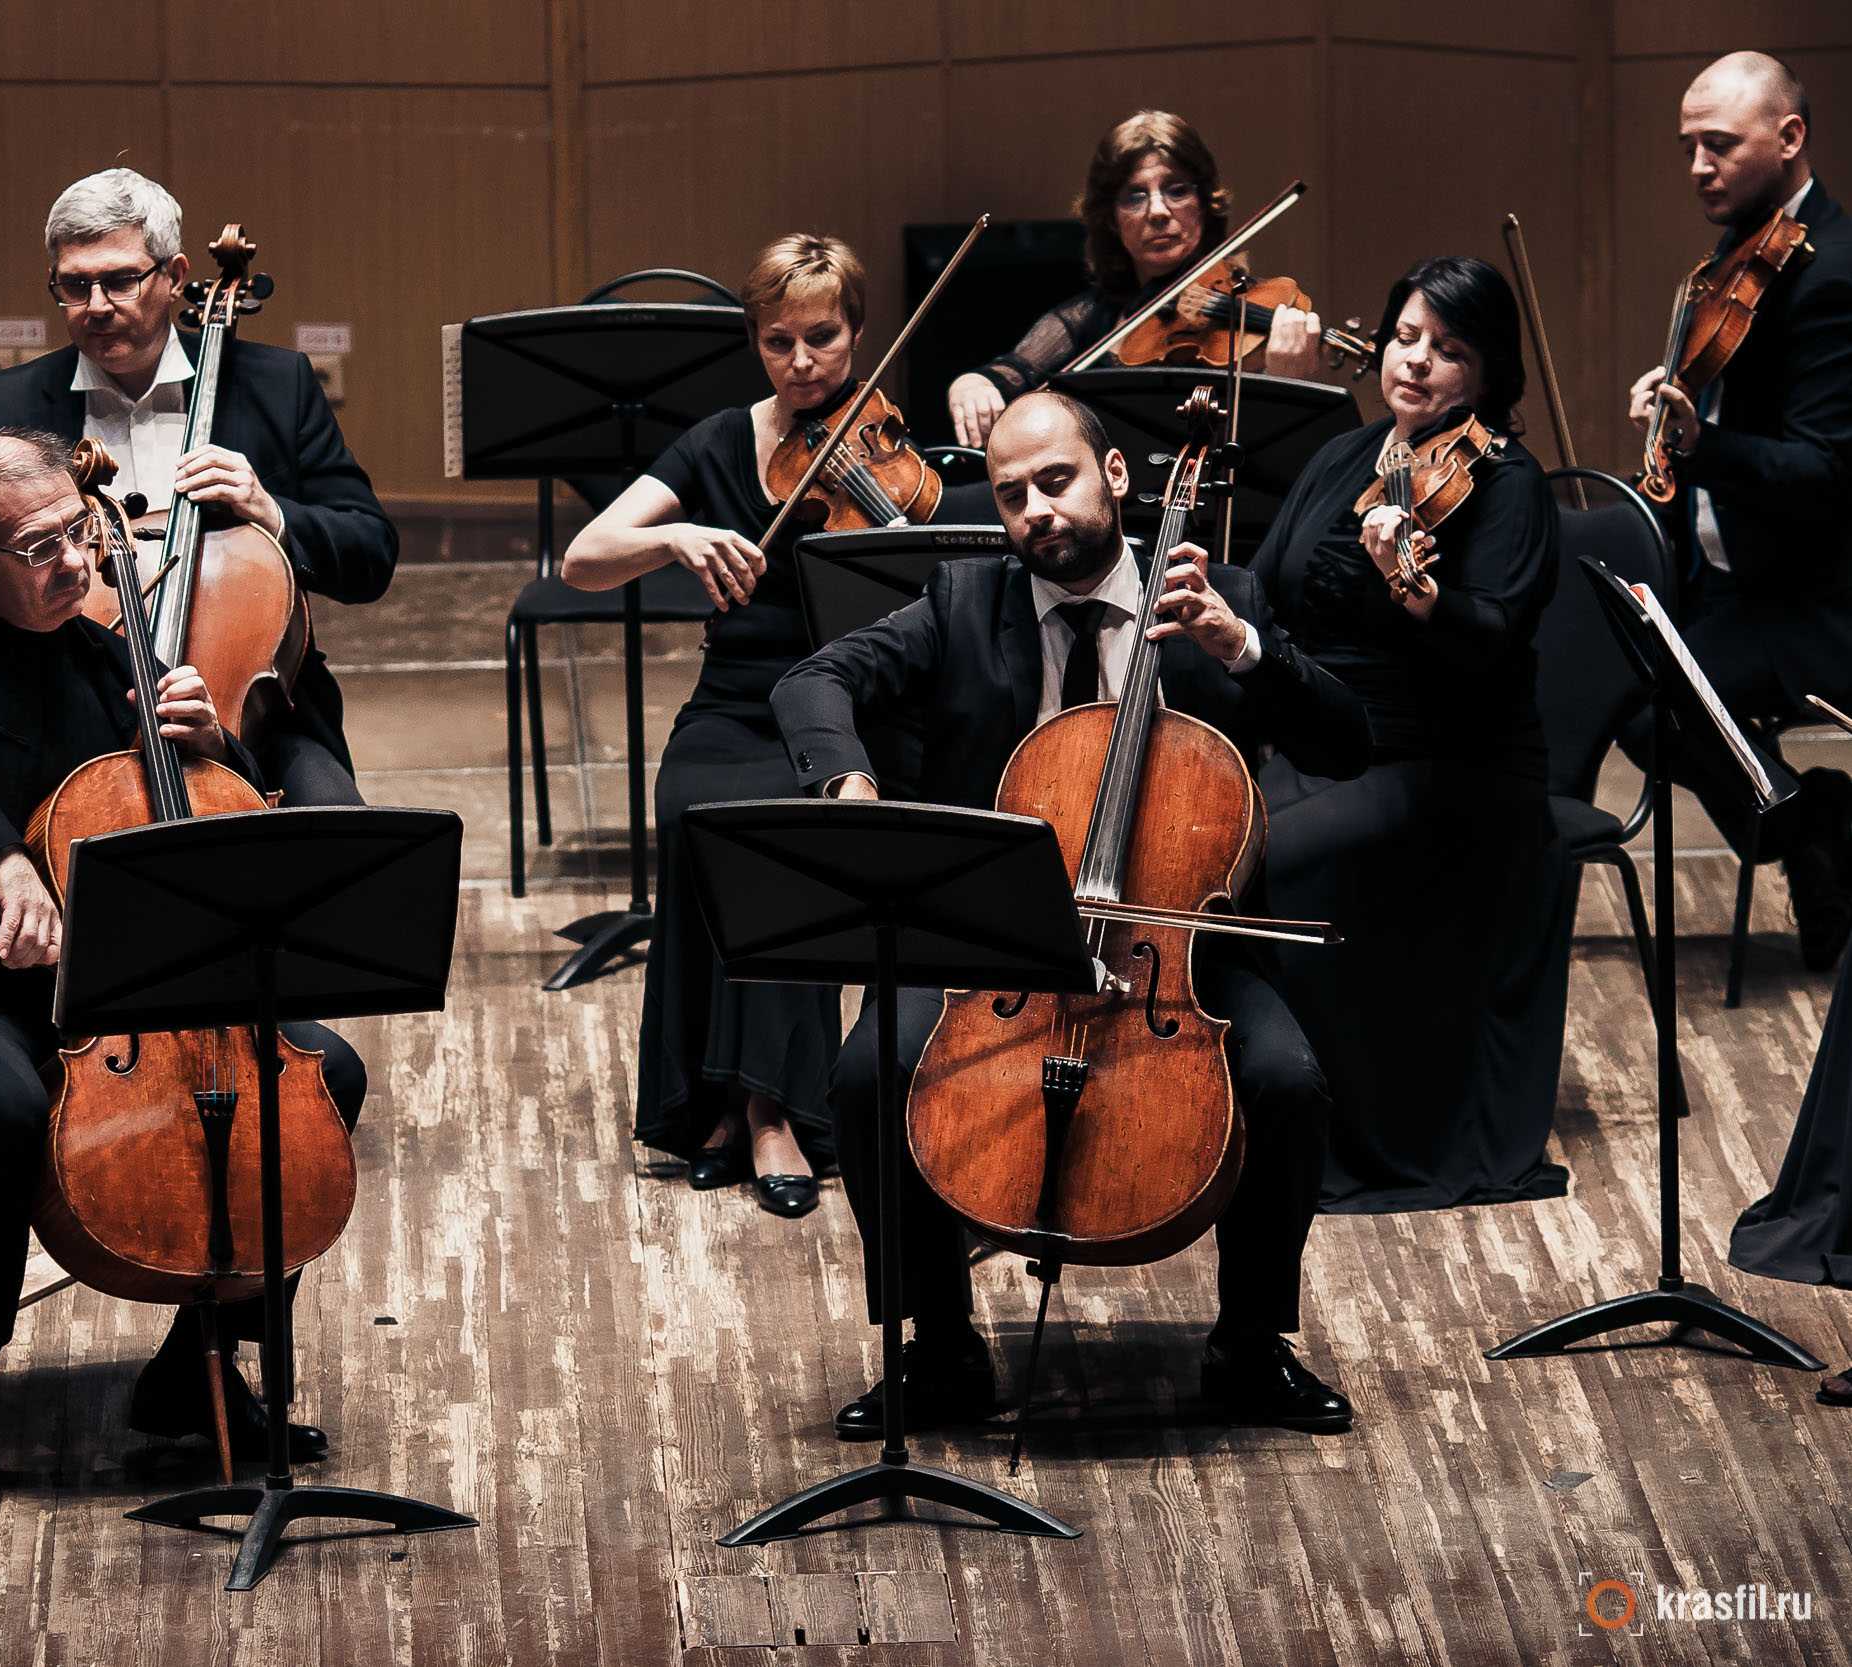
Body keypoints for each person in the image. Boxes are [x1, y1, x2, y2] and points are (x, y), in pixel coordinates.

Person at [772, 387, 1372, 1436]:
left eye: (1055, 481)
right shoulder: (964, 602)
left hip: (1177, 949)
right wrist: (850, 788)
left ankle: (1247, 1342)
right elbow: (813, 683)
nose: (1036, 511)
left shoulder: (1218, 596)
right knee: (870, 1071)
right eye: (1012, 497)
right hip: (994, 945)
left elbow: (1346, 740)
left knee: (1287, 1079)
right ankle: (941, 1343)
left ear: (1116, 478)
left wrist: (1242, 650)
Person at [0, 430, 367, 1514]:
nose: (71, 563)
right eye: (35, 546)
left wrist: (208, 744)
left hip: (131, 985)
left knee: (328, 1074)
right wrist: (2, 864)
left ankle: (198, 1354)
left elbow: (188, 819)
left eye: (78, 535)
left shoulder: (112, 651)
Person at [559, 232, 886, 1217]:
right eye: (777, 341)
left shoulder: (886, 447)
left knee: (781, 836)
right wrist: (674, 532)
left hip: (837, 705)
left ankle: (766, 1107)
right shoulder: (714, 442)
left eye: (821, 339)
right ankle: (715, 1093)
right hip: (734, 696)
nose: (799, 364)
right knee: (698, 812)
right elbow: (584, 556)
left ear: (858, 332)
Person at [0, 167, 396, 809]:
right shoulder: (0, 408)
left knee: (340, 844)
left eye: (120, 280)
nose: (97, 306)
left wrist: (270, 511)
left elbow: (370, 555)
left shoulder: (276, 387)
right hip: (58, 715)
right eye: (74, 285)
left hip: (251, 721)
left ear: (172, 276)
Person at [1248, 255, 1570, 1212]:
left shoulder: (1509, 487)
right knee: (1197, 835)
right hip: (1325, 738)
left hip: (1448, 766)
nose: (1418, 363)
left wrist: (1417, 594)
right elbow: (1265, 581)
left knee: (1263, 862)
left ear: (1489, 374)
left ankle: (1316, 1122)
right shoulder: (1345, 457)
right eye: (1406, 337)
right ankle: (1239, 1108)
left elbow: (1488, 641)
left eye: (1450, 349)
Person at [1621, 51, 1852, 971]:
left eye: (1720, 145)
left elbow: (1828, 475)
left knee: (1658, 709)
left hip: (1810, 602)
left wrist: (1698, 446)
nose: (1698, 167)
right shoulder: (1734, 256)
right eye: (1688, 148)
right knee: (1626, 688)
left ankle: (1815, 826)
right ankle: (1813, 825)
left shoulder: (1830, 274)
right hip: (1728, 587)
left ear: (1790, 137)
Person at [944, 110, 1327, 449]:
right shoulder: (1092, 316)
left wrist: (1288, 384)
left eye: (1177, 191)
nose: (1158, 211)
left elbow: (1278, 452)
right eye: (1135, 196)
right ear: (1112, 218)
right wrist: (975, 383)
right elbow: (1016, 371)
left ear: (1205, 204)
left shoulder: (1250, 306)